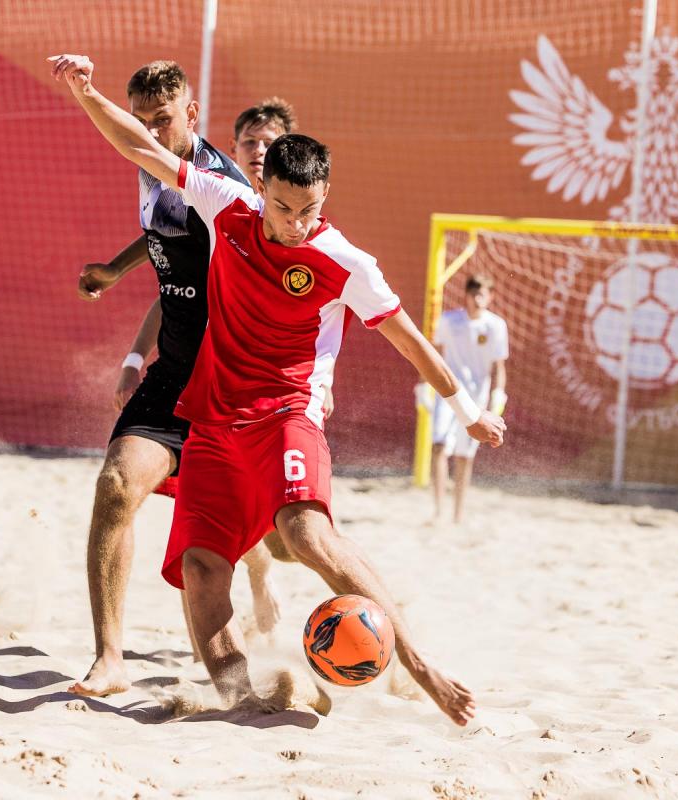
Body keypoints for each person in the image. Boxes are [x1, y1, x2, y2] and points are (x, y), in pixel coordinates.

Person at [50, 54, 505, 725]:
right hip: (213, 418)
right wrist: (86, 92)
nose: (295, 223)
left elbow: (411, 341)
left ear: (326, 195)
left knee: (305, 533)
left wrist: (467, 412)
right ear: (262, 189)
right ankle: (245, 695)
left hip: (288, 413)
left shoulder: (345, 261)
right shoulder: (227, 204)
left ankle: (421, 665)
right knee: (202, 569)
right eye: (284, 208)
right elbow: (140, 147)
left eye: (309, 210)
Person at [68, 61, 281, 697]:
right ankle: (110, 660)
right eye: (143, 121)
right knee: (115, 486)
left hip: (230, 383)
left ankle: (276, 591)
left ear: (191, 115)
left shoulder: (224, 186)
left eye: (162, 120)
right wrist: (116, 269)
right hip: (174, 374)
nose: (150, 132)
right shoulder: (154, 164)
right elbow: (169, 235)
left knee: (274, 536)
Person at [424, 275, 508, 524]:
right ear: (467, 295)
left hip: (477, 398)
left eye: (483, 294)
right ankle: (438, 510)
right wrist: (423, 387)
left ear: (491, 296)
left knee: (464, 455)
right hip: (448, 393)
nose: (478, 299)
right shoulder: (449, 321)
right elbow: (434, 356)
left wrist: (498, 393)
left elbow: (499, 366)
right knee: (439, 446)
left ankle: (458, 514)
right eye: (474, 294)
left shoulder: (496, 325)